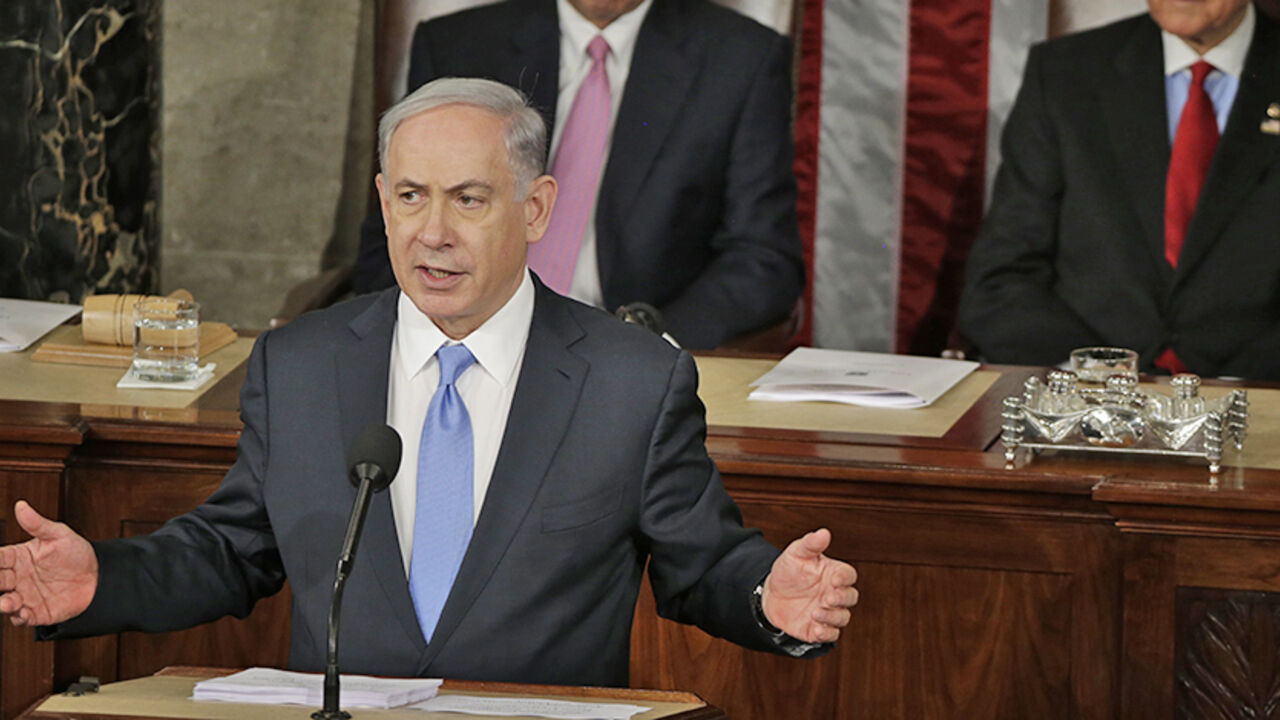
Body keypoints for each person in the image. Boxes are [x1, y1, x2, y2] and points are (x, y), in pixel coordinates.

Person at [0, 78, 857, 687]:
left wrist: (766, 595)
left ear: (536, 208)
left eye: (469, 199)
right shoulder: (301, 363)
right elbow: (233, 549)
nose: (433, 233)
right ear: (382, 201)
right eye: (410, 196)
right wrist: (101, 581)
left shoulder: (631, 380)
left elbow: (700, 563)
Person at [352, 0, 805, 350]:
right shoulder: (457, 43)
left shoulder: (742, 57)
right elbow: (392, 228)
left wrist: (645, 340)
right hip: (463, 335)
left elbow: (763, 259)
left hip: (628, 351)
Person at [958, 0, 1280, 380]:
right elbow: (1001, 278)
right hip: (1088, 401)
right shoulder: (1065, 71)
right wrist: (1100, 379)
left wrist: (1239, 391)